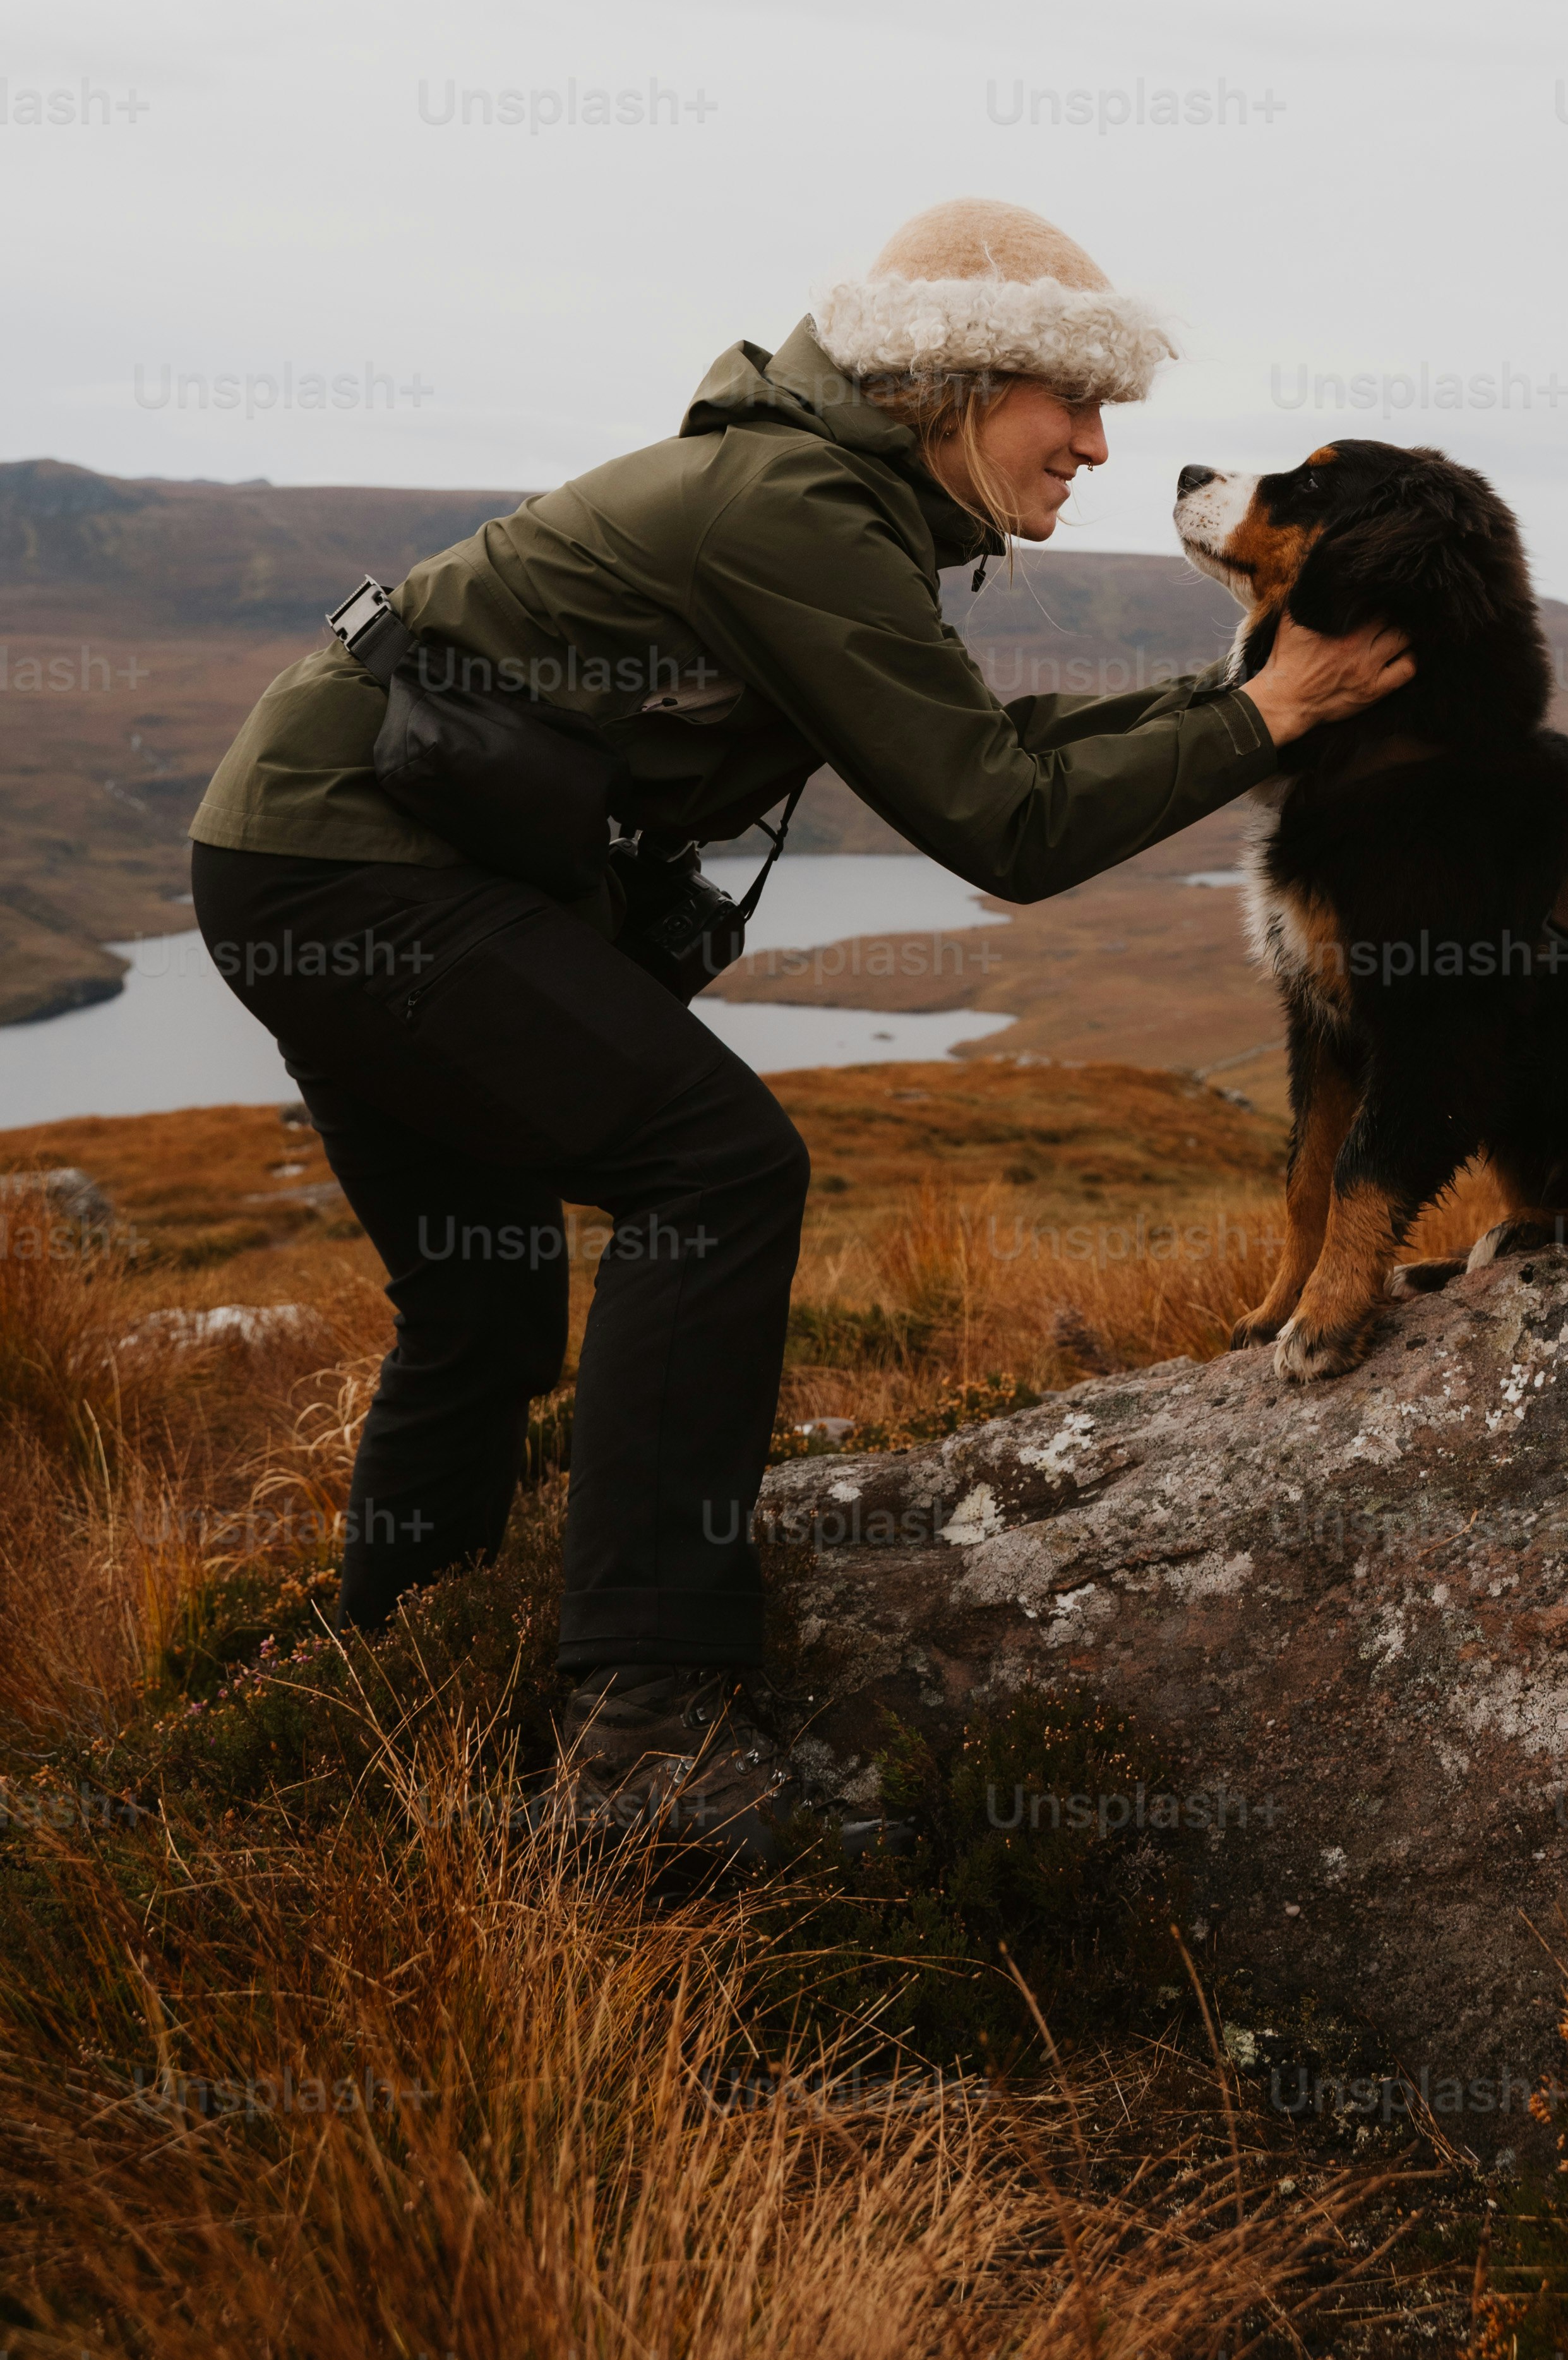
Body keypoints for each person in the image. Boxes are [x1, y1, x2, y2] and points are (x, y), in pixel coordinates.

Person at [188, 199, 1409, 1861]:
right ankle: (644, 1749)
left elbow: (990, 748)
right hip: (356, 875)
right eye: (1071, 401)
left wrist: (1240, 706)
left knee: (481, 1311)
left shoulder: (827, 501)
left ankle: (396, 1692)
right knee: (718, 1169)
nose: (1099, 446)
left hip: (305, 857)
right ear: (961, 380)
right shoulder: (798, 509)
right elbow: (1010, 825)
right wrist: (1266, 716)